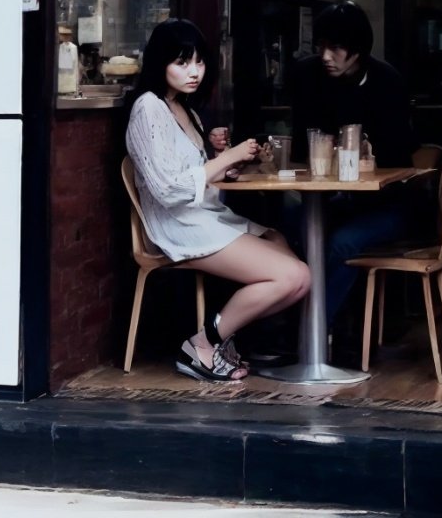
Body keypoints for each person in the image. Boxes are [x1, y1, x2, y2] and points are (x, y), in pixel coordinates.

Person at [125, 19, 311, 383]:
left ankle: (220, 339)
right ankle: (202, 345)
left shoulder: (185, 108)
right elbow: (166, 190)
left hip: (203, 215)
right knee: (294, 275)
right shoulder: (148, 108)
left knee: (287, 256)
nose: (193, 72)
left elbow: (195, 178)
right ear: (160, 63)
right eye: (182, 63)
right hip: (177, 225)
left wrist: (224, 166)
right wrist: (224, 158)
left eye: (199, 62)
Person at [289, 1, 421, 326]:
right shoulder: (308, 75)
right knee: (286, 227)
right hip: (328, 199)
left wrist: (365, 153)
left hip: (385, 204)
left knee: (341, 242)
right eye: (321, 46)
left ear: (358, 50)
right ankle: (289, 328)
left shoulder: (388, 82)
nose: (325, 56)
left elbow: (398, 158)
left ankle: (309, 333)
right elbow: (301, 144)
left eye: (336, 48)